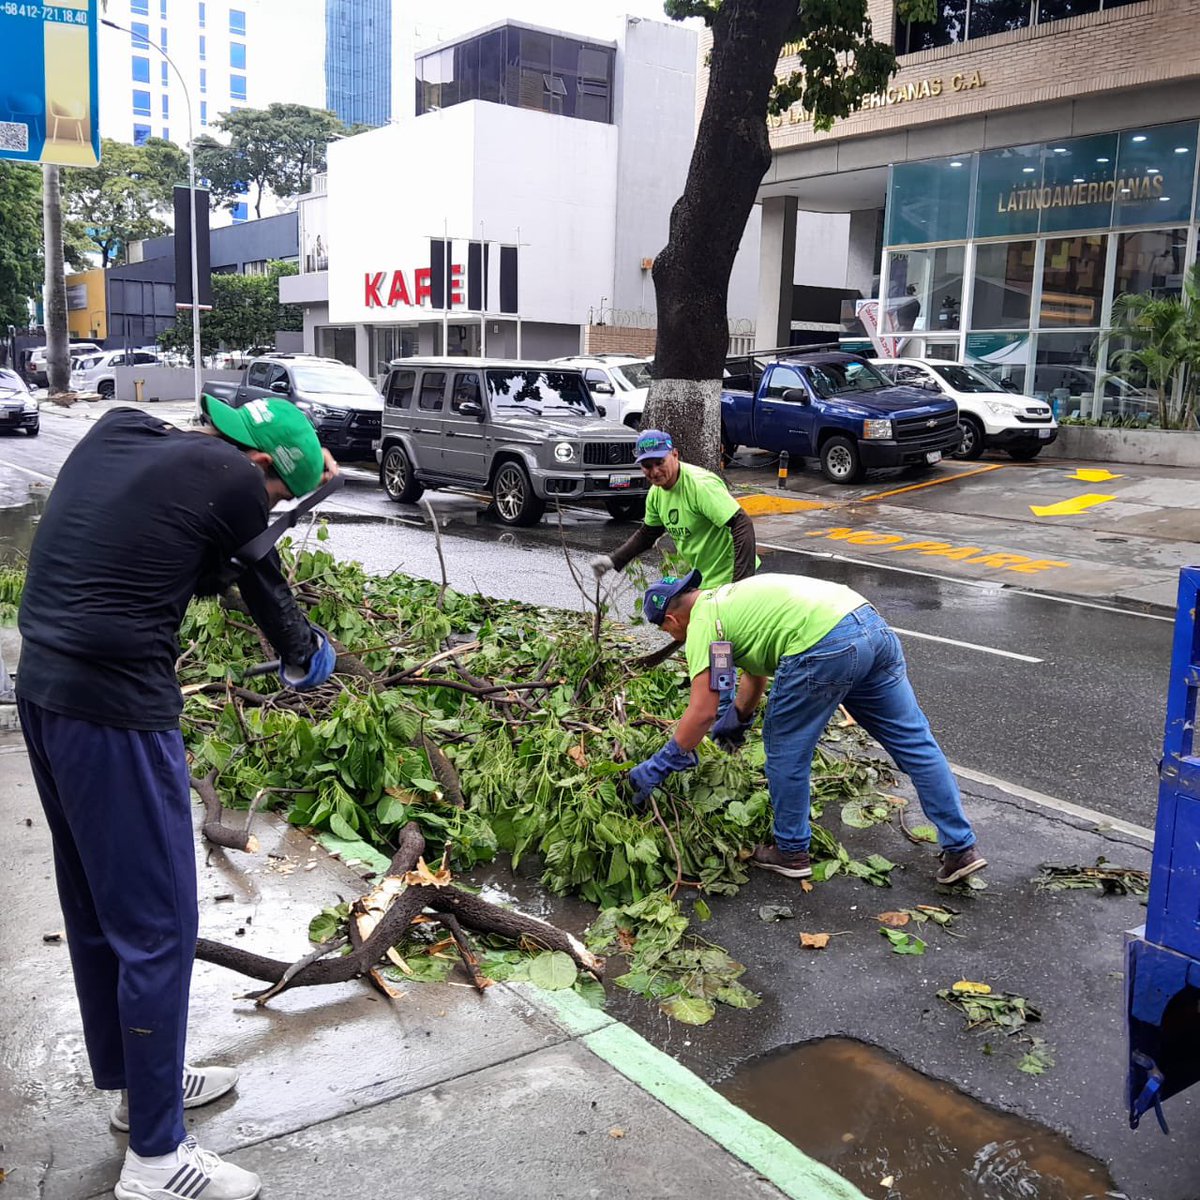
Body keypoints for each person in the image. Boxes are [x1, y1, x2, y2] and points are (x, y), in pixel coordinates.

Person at [17, 395, 340, 1200]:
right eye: (275, 494)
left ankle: (141, 1087)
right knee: (161, 925)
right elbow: (267, 594)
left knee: (100, 909)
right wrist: (307, 657)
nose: (262, 505)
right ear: (262, 468)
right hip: (117, 711)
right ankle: (158, 1159)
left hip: (44, 692)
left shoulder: (120, 428)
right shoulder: (236, 479)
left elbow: (185, 561)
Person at [627, 571, 986, 886]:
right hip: (869, 626)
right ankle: (960, 849)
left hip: (824, 646)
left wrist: (663, 763)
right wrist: (739, 716)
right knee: (914, 743)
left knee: (785, 750)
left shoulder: (703, 625)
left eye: (667, 630)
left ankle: (791, 852)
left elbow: (702, 711)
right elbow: (751, 670)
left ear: (671, 621)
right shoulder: (725, 606)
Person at [589, 430, 757, 590]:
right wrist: (612, 560)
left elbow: (742, 524)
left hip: (730, 578)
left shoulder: (700, 486)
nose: (654, 472)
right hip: (704, 579)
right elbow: (648, 534)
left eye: (659, 462)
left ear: (674, 455)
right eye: (647, 466)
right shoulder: (656, 493)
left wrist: (739, 584)